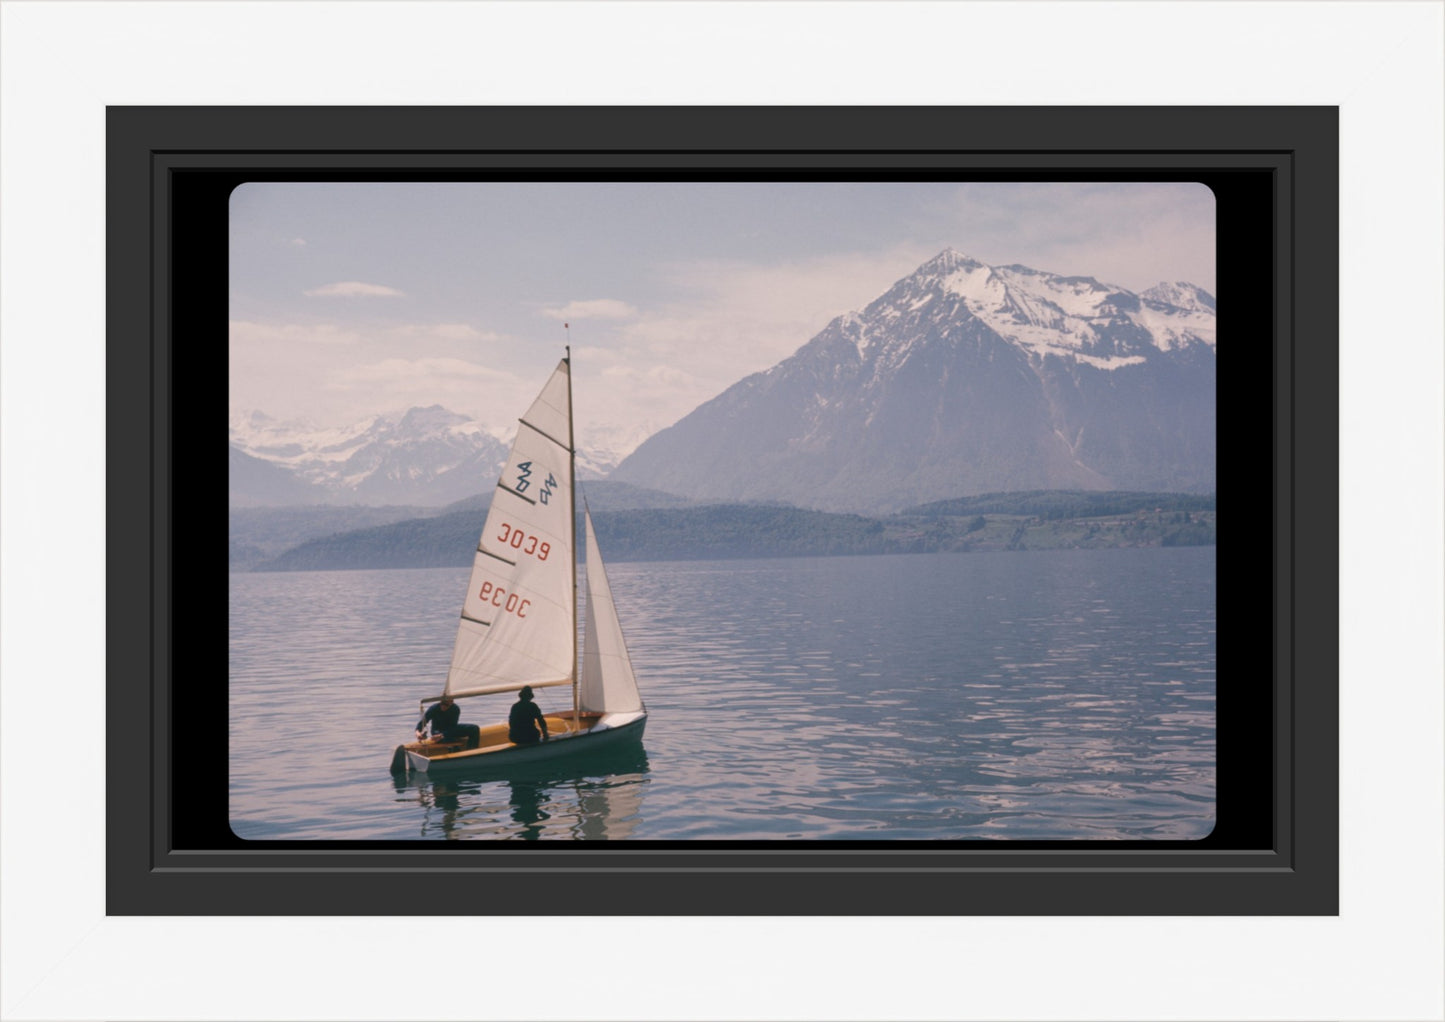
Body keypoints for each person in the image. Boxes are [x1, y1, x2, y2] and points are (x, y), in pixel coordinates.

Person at [415, 695, 481, 749]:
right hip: (437, 731)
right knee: (446, 739)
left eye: (446, 705)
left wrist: (442, 735)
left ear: (451, 703)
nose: (443, 706)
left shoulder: (455, 709)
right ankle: (453, 747)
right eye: (442, 704)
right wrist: (418, 732)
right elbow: (423, 722)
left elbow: (453, 727)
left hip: (450, 730)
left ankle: (472, 749)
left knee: (474, 728)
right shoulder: (434, 708)